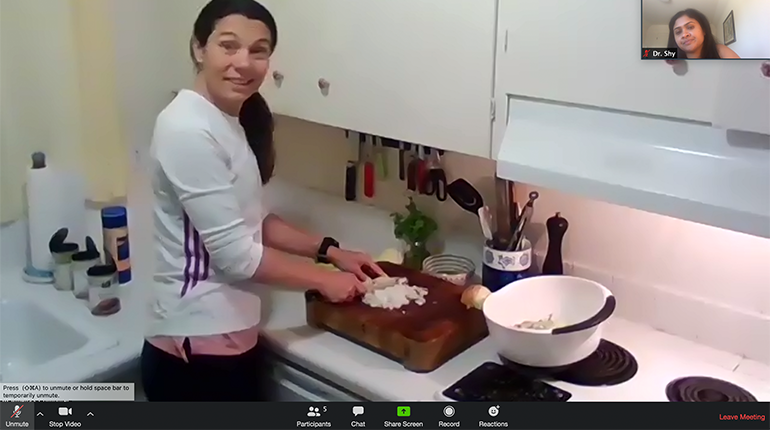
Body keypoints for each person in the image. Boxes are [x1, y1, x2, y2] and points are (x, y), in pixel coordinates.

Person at [141, 0, 387, 402]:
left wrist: (330, 251)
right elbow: (236, 255)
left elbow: (249, 219)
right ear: (198, 49)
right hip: (196, 353)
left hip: (223, 341)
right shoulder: (186, 129)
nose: (244, 62)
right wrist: (325, 280)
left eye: (259, 50)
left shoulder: (223, 119)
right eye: (228, 45)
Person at [667, 8, 740, 59]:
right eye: (678, 32)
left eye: (690, 27)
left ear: (704, 31)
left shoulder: (719, 51)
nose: (684, 35)